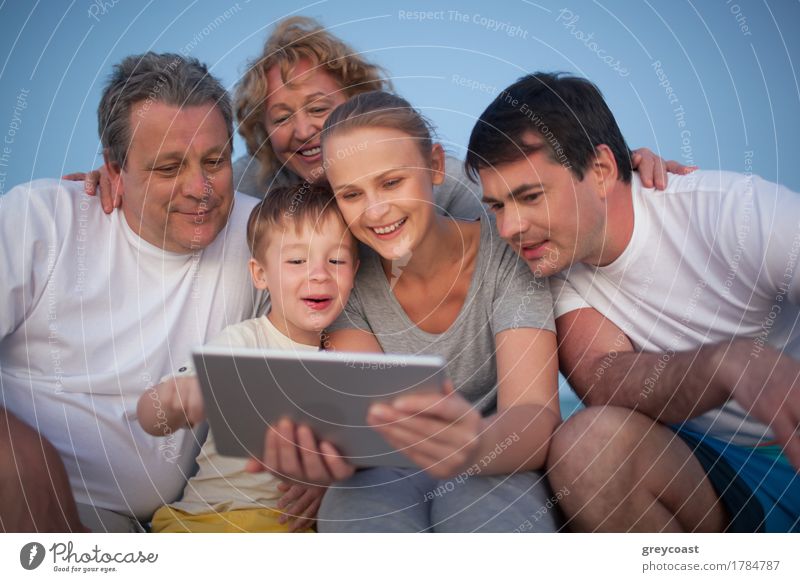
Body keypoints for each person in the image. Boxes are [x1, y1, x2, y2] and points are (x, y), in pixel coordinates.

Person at [466, 72, 800, 532]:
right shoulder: (548, 263)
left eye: (530, 197)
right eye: (497, 206)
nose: (508, 229)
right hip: (713, 465)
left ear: (601, 170)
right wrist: (726, 364)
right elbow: (603, 378)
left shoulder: (732, 210)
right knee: (588, 447)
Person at [247, 91, 561, 533]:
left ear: (434, 166)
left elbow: (533, 413)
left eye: (392, 182)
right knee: (355, 521)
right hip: (386, 468)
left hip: (495, 456)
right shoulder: (346, 275)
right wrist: (321, 454)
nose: (376, 211)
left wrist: (472, 445)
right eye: (352, 194)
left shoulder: (505, 252)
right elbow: (363, 412)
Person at [0, 52, 267, 532]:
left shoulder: (263, 237)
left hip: (137, 525)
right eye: (168, 169)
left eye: (215, 161)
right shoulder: (41, 221)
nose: (200, 188)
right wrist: (15, 455)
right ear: (115, 171)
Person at [70, 17, 683, 218]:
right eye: (281, 116)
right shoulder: (258, 184)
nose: (304, 129)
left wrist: (616, 169)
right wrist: (113, 180)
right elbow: (184, 180)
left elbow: (518, 197)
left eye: (319, 107)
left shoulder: (436, 182)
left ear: (361, 106)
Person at [138, 184, 358, 532]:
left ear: (355, 271)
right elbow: (151, 416)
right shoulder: (243, 343)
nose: (319, 273)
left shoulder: (349, 358)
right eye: (297, 260)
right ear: (260, 274)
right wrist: (181, 397)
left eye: (336, 260)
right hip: (209, 519)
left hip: (288, 527)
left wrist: (332, 479)